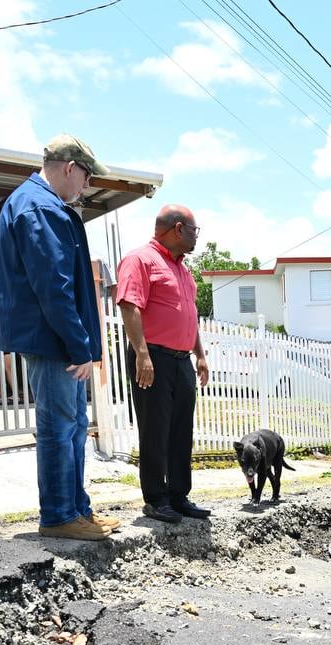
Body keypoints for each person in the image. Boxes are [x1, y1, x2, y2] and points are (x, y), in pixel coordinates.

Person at [0, 134, 119, 541]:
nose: (86, 187)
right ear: (70, 168)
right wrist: (78, 344)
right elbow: (54, 285)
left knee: (73, 425)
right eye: (85, 178)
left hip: (54, 340)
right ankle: (60, 515)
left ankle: (76, 509)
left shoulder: (40, 204)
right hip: (53, 342)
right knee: (59, 426)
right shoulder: (39, 208)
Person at [115, 205, 212, 524]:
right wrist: (141, 353)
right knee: (155, 429)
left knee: (182, 430)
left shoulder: (184, 270)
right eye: (195, 231)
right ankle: (156, 498)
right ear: (178, 228)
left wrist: (200, 354)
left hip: (182, 359)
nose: (196, 237)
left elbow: (190, 316)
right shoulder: (140, 259)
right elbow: (130, 306)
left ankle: (178, 496)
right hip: (152, 357)